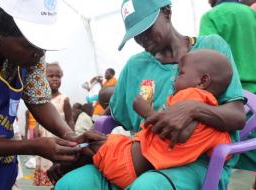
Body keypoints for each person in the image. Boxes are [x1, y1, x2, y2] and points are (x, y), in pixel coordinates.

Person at [52, 0, 246, 189]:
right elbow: (111, 116)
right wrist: (80, 149)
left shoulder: (210, 49)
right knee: (70, 183)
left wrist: (194, 108)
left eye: (146, 28)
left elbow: (237, 116)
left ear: (167, 13)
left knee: (147, 186)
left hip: (195, 161)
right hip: (139, 156)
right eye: (135, 33)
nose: (142, 38)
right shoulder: (135, 66)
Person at [51, 49, 233, 189]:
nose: (174, 79)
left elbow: (182, 133)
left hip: (126, 164)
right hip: (132, 161)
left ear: (202, 81)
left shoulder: (190, 95)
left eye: (181, 74)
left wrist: (147, 111)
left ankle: (63, 166)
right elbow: (222, 151)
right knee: (99, 144)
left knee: (89, 144)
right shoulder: (215, 124)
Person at [0, 1, 79, 189]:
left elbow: (39, 101)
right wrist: (31, 146)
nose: (40, 53)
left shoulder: (31, 55)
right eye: (32, 44)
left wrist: (70, 136)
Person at [199, 0, 256, 189]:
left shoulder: (211, 17)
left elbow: (206, 60)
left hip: (238, 104)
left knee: (241, 172)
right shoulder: (251, 13)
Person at [33, 63, 74, 186]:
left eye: (58, 76)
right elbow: (39, 117)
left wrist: (72, 140)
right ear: (43, 78)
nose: (55, 78)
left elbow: (70, 120)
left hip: (58, 141)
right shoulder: (41, 99)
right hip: (44, 140)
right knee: (46, 172)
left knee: (57, 171)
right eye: (51, 76)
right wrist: (36, 127)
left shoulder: (64, 99)